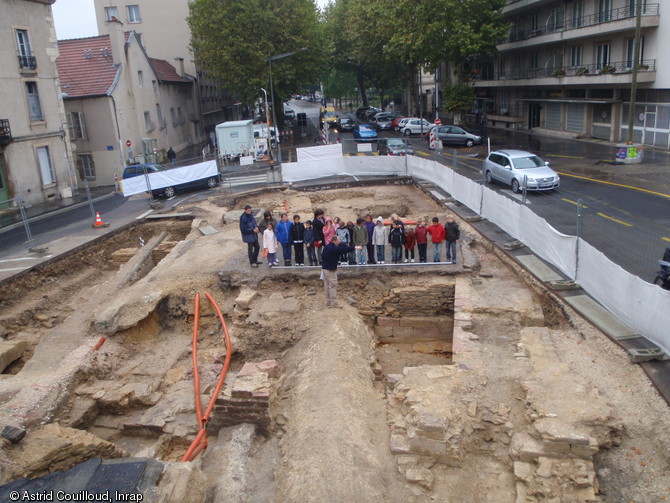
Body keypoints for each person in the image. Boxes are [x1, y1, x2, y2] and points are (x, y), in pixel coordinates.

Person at [321, 234, 356, 308]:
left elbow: (341, 246)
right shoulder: (333, 248)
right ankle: (333, 303)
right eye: (338, 240)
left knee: (327, 285)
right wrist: (354, 247)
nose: (339, 241)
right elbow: (343, 250)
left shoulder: (327, 247)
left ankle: (328, 301)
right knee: (333, 285)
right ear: (334, 241)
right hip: (330, 269)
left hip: (325, 268)